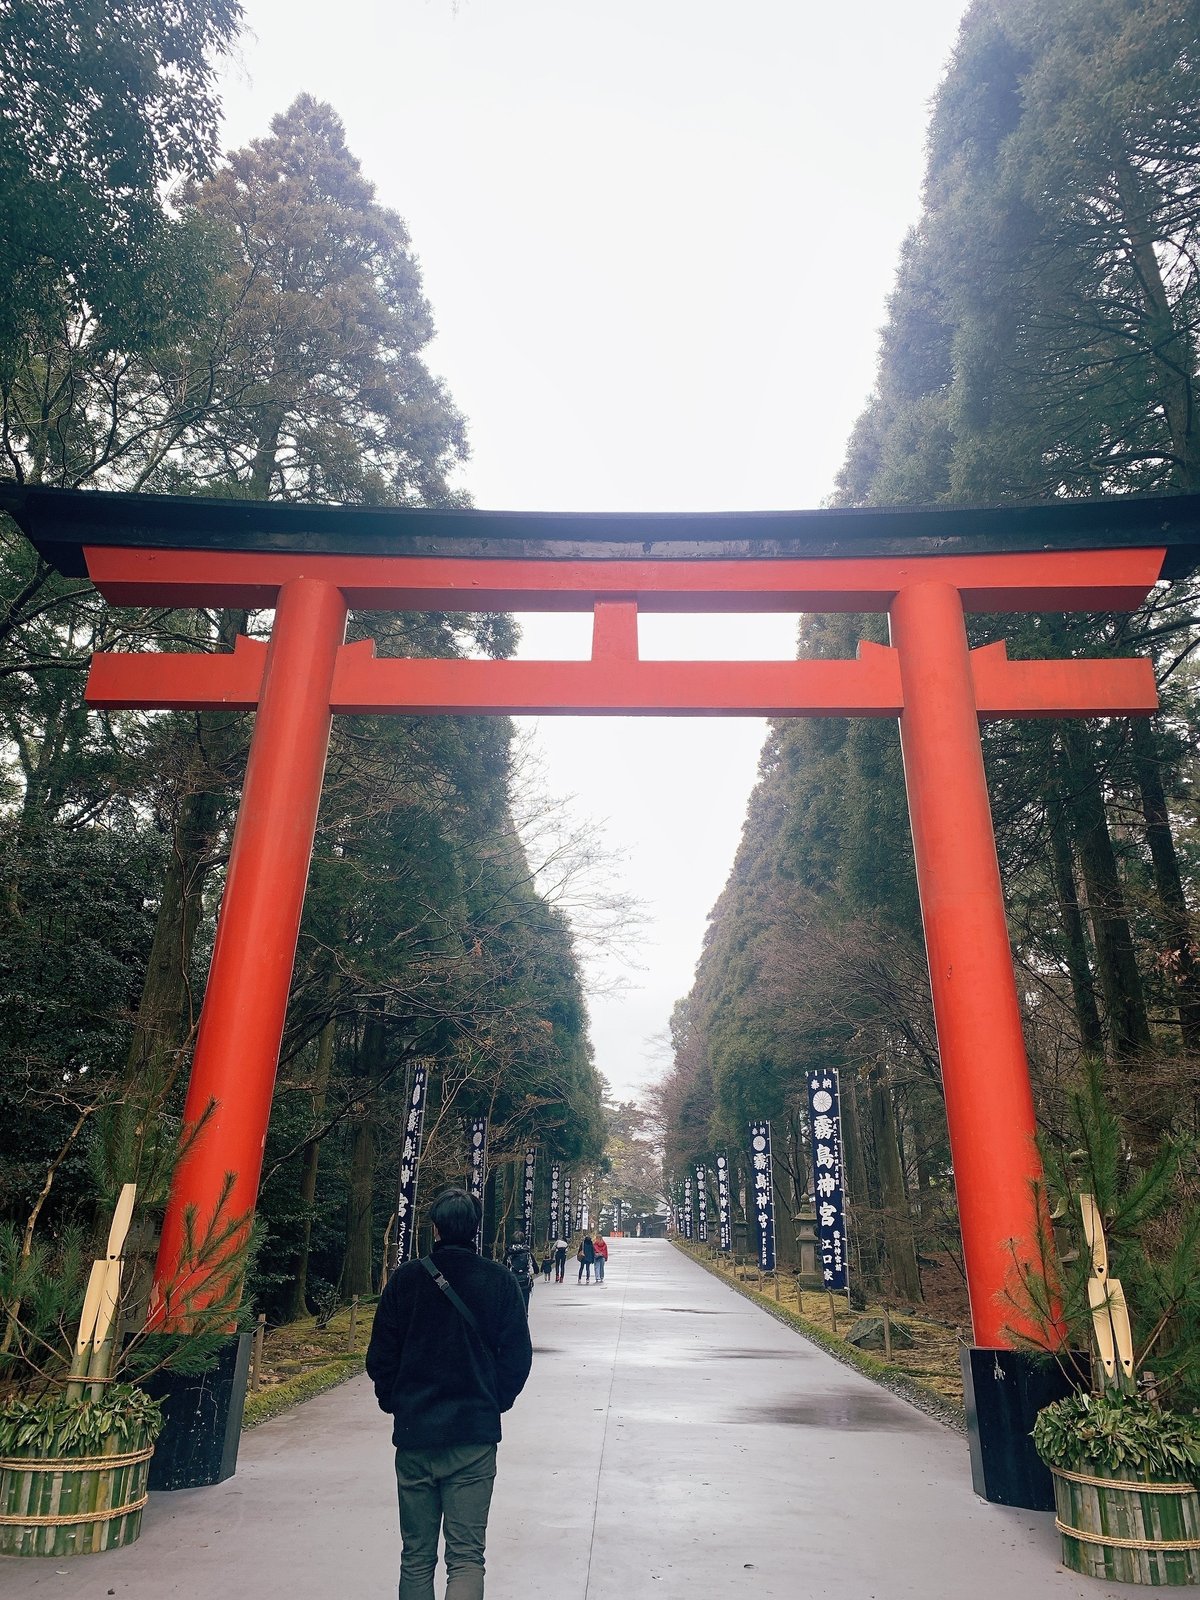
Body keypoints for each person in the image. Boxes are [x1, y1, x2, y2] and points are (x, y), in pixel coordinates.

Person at [366, 1189, 532, 1600]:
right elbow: (517, 1357)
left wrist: (397, 1402)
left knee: (417, 1555)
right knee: (467, 1556)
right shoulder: (499, 1281)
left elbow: (381, 1355)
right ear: (476, 1229)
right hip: (473, 1436)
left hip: (416, 1432)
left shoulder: (406, 1280)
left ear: (435, 1228)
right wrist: (494, 1402)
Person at [504, 1233, 535, 1310]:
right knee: (525, 1305)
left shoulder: (509, 1252)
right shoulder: (527, 1252)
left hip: (512, 1282)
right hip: (525, 1282)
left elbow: (504, 1267)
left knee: (512, 1306)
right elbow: (536, 1269)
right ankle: (525, 1318)